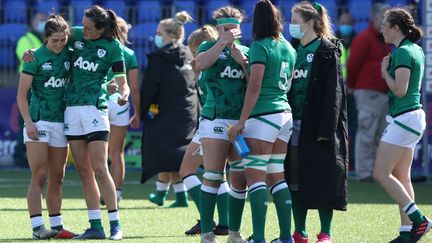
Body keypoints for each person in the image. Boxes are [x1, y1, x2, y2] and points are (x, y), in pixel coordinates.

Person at [22, 5, 129, 240]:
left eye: (89, 27)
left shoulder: (113, 48)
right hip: (70, 113)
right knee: (84, 171)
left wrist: (124, 93)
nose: (83, 30)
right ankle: (95, 227)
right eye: (83, 25)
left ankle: (115, 225)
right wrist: (30, 54)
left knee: (100, 168)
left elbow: (123, 80)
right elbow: (53, 38)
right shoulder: (75, 35)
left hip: (95, 110)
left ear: (101, 28)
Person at [228, 0, 296, 242]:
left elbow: (255, 86)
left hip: (263, 117)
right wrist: (245, 64)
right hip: (284, 114)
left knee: (255, 177)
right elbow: (282, 83)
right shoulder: (289, 47)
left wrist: (241, 121)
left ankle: (258, 238)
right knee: (277, 175)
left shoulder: (259, 46)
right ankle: (286, 237)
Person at [285, 1, 348, 243]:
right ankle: (299, 231)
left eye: (295, 20)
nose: (290, 25)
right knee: (294, 178)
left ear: (310, 23)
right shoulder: (290, 49)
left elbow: (335, 94)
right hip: (292, 124)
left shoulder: (327, 50)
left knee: (323, 178)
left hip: (318, 127)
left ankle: (326, 233)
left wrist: (326, 129)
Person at [374, 8, 432, 243]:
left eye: (384, 24)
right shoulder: (414, 49)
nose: (381, 29)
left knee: (380, 174)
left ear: (396, 28)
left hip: (404, 118)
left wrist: (384, 73)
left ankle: (419, 219)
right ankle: (408, 232)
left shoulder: (403, 52)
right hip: (412, 117)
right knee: (402, 176)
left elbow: (400, 90)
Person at [16, 14, 76, 239]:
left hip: (61, 122)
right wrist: (29, 123)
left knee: (58, 176)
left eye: (63, 40)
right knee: (39, 175)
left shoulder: (70, 54)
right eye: (55, 41)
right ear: (45, 38)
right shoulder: (33, 58)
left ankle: (57, 226)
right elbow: (21, 95)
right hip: (38, 121)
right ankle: (37, 228)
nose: (59, 44)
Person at [194, 6, 249, 243]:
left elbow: (254, 84)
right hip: (215, 118)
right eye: (226, 29)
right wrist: (221, 44)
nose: (230, 33)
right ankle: (207, 232)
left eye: (234, 28)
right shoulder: (208, 46)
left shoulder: (247, 51)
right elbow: (200, 64)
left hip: (240, 121)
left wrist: (244, 62)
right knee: (213, 174)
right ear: (218, 29)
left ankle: (234, 232)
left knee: (239, 176)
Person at [140, 11, 198, 208]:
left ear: (170, 34)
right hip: (189, 114)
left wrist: (142, 112)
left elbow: (149, 89)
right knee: (175, 156)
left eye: (159, 32)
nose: (156, 36)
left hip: (167, 114)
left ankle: (165, 193)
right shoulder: (189, 55)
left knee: (164, 153)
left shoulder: (159, 58)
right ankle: (177, 196)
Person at [180, 25, 230, 236]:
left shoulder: (207, 67)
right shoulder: (219, 62)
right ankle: (225, 224)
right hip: (221, 122)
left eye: (194, 50)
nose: (194, 55)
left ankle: (207, 219)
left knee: (186, 170)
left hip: (211, 124)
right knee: (220, 175)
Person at [347, 3, 391, 182]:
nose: (385, 23)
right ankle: (364, 172)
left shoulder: (383, 41)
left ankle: (376, 171)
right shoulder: (364, 39)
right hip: (367, 92)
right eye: (384, 19)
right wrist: (351, 84)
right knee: (366, 132)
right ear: (374, 19)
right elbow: (352, 64)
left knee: (380, 135)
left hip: (381, 93)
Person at [102, 17, 140, 206]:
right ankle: (116, 193)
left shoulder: (98, 47)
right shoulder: (129, 53)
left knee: (97, 153)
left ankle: (101, 192)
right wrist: (138, 113)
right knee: (116, 153)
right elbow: (133, 86)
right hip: (119, 101)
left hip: (99, 99)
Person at [14, 12, 47, 167]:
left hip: (44, 86)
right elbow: (27, 59)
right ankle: (20, 155)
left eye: (45, 20)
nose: (42, 22)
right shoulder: (25, 39)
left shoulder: (48, 40)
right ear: (31, 22)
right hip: (28, 86)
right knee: (25, 120)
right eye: (39, 20)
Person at [336, 11, 357, 167]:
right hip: (338, 90)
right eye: (342, 23)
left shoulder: (358, 41)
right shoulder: (334, 41)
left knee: (354, 126)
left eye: (347, 23)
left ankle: (353, 160)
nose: (345, 27)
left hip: (353, 90)